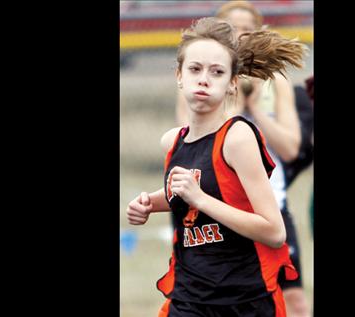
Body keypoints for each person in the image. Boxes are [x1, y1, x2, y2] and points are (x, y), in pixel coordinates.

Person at [127, 17, 307, 317]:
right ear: (179, 75)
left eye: (217, 72)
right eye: (195, 69)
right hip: (188, 297)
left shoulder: (237, 137)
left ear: (232, 83)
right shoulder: (173, 141)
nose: (204, 79)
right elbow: (198, 184)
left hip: (244, 300)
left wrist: (201, 200)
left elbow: (274, 231)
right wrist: (149, 203)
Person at [175, 2, 311, 316]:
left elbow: (291, 149)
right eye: (232, 30)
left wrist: (257, 108)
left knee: (294, 301)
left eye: (246, 30)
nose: (240, 37)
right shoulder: (202, 82)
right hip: (210, 203)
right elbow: (188, 141)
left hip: (268, 202)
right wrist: (233, 103)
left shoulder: (275, 83)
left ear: (258, 33)